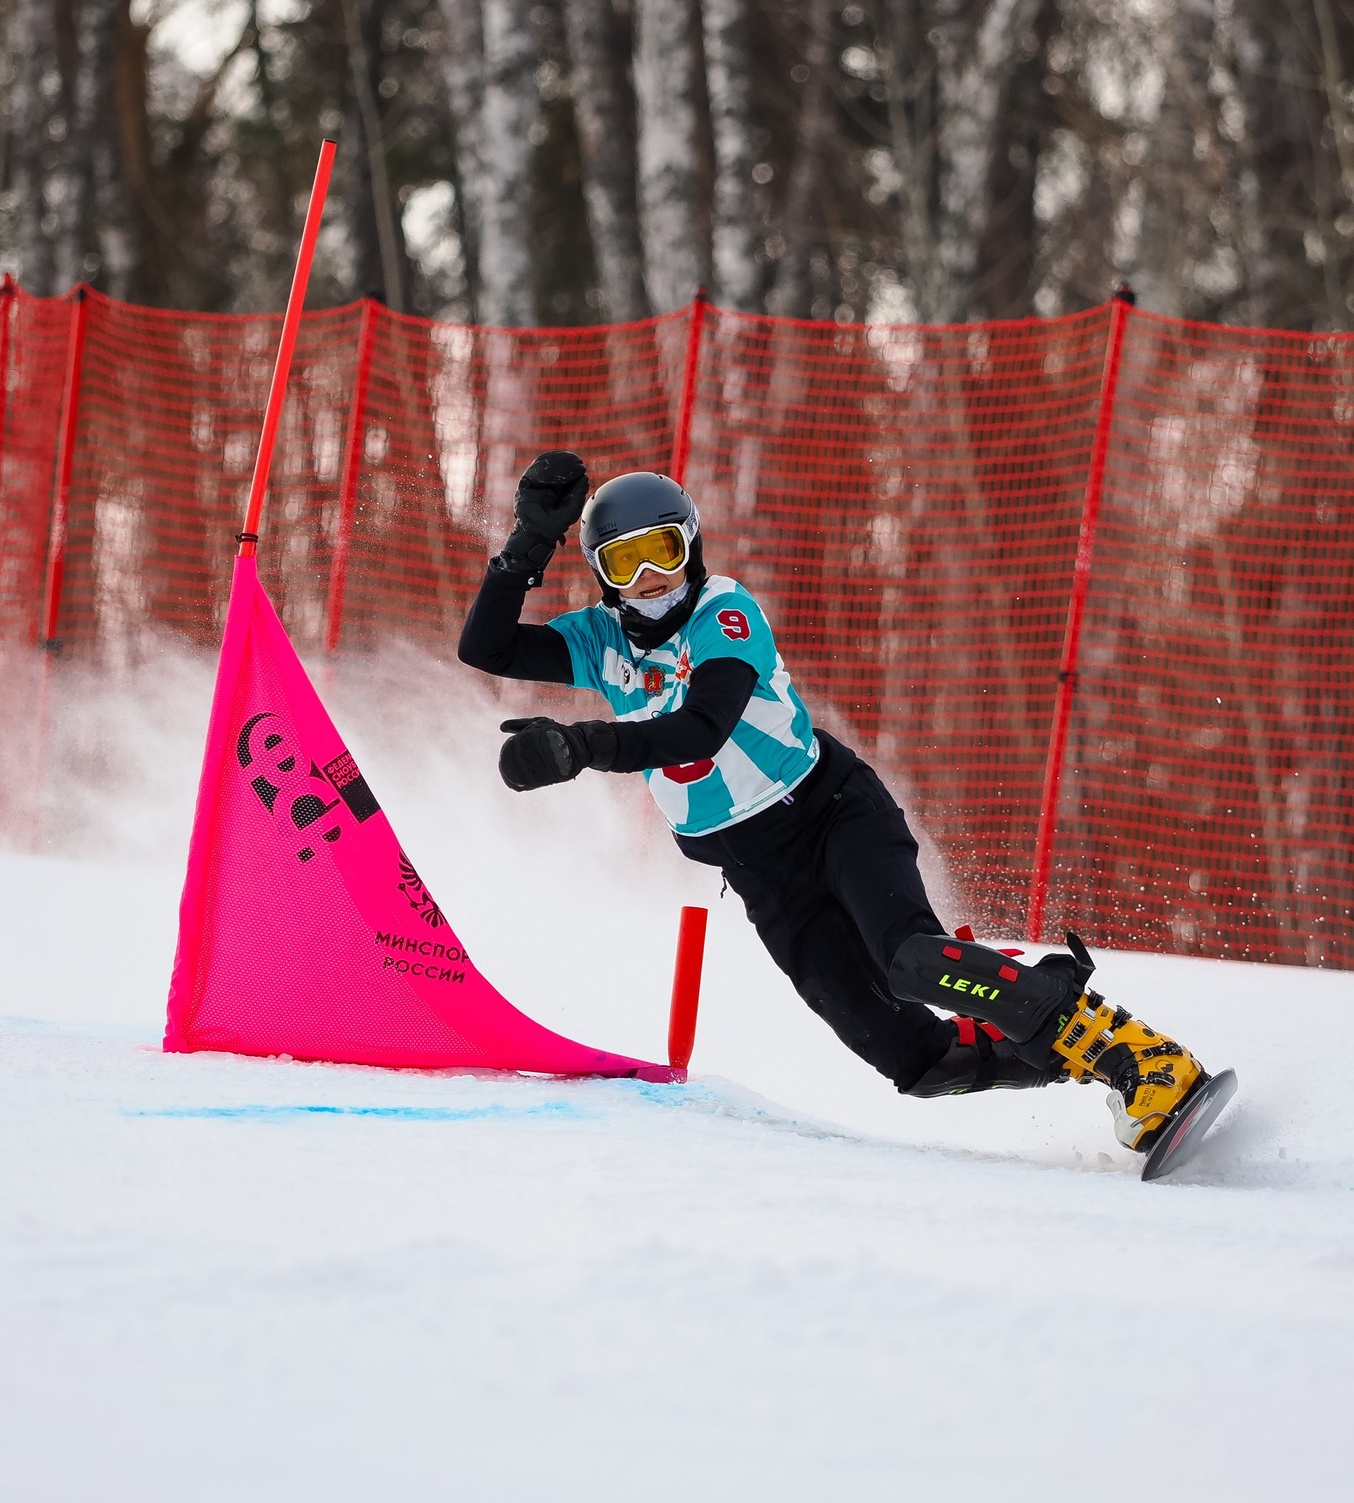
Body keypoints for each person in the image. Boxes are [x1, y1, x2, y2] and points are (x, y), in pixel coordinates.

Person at [457, 451, 1222, 1160]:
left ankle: (1142, 1059)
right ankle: (1060, 1046)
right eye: (627, 561)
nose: (653, 575)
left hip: (829, 814)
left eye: (666, 549)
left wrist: (581, 746)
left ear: (693, 547)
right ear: (601, 574)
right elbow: (485, 648)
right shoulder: (601, 639)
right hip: (762, 875)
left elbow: (702, 725)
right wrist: (526, 544)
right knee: (914, 1061)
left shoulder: (723, 608)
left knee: (911, 959)